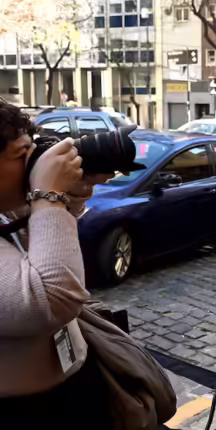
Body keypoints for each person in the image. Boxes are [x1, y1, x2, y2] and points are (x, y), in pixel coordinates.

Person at [0, 101, 112, 428]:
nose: (33, 161)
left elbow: (45, 250)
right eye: (22, 153)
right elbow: (51, 298)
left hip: (65, 390)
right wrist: (47, 194)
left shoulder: (5, 210)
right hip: (21, 412)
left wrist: (69, 195)